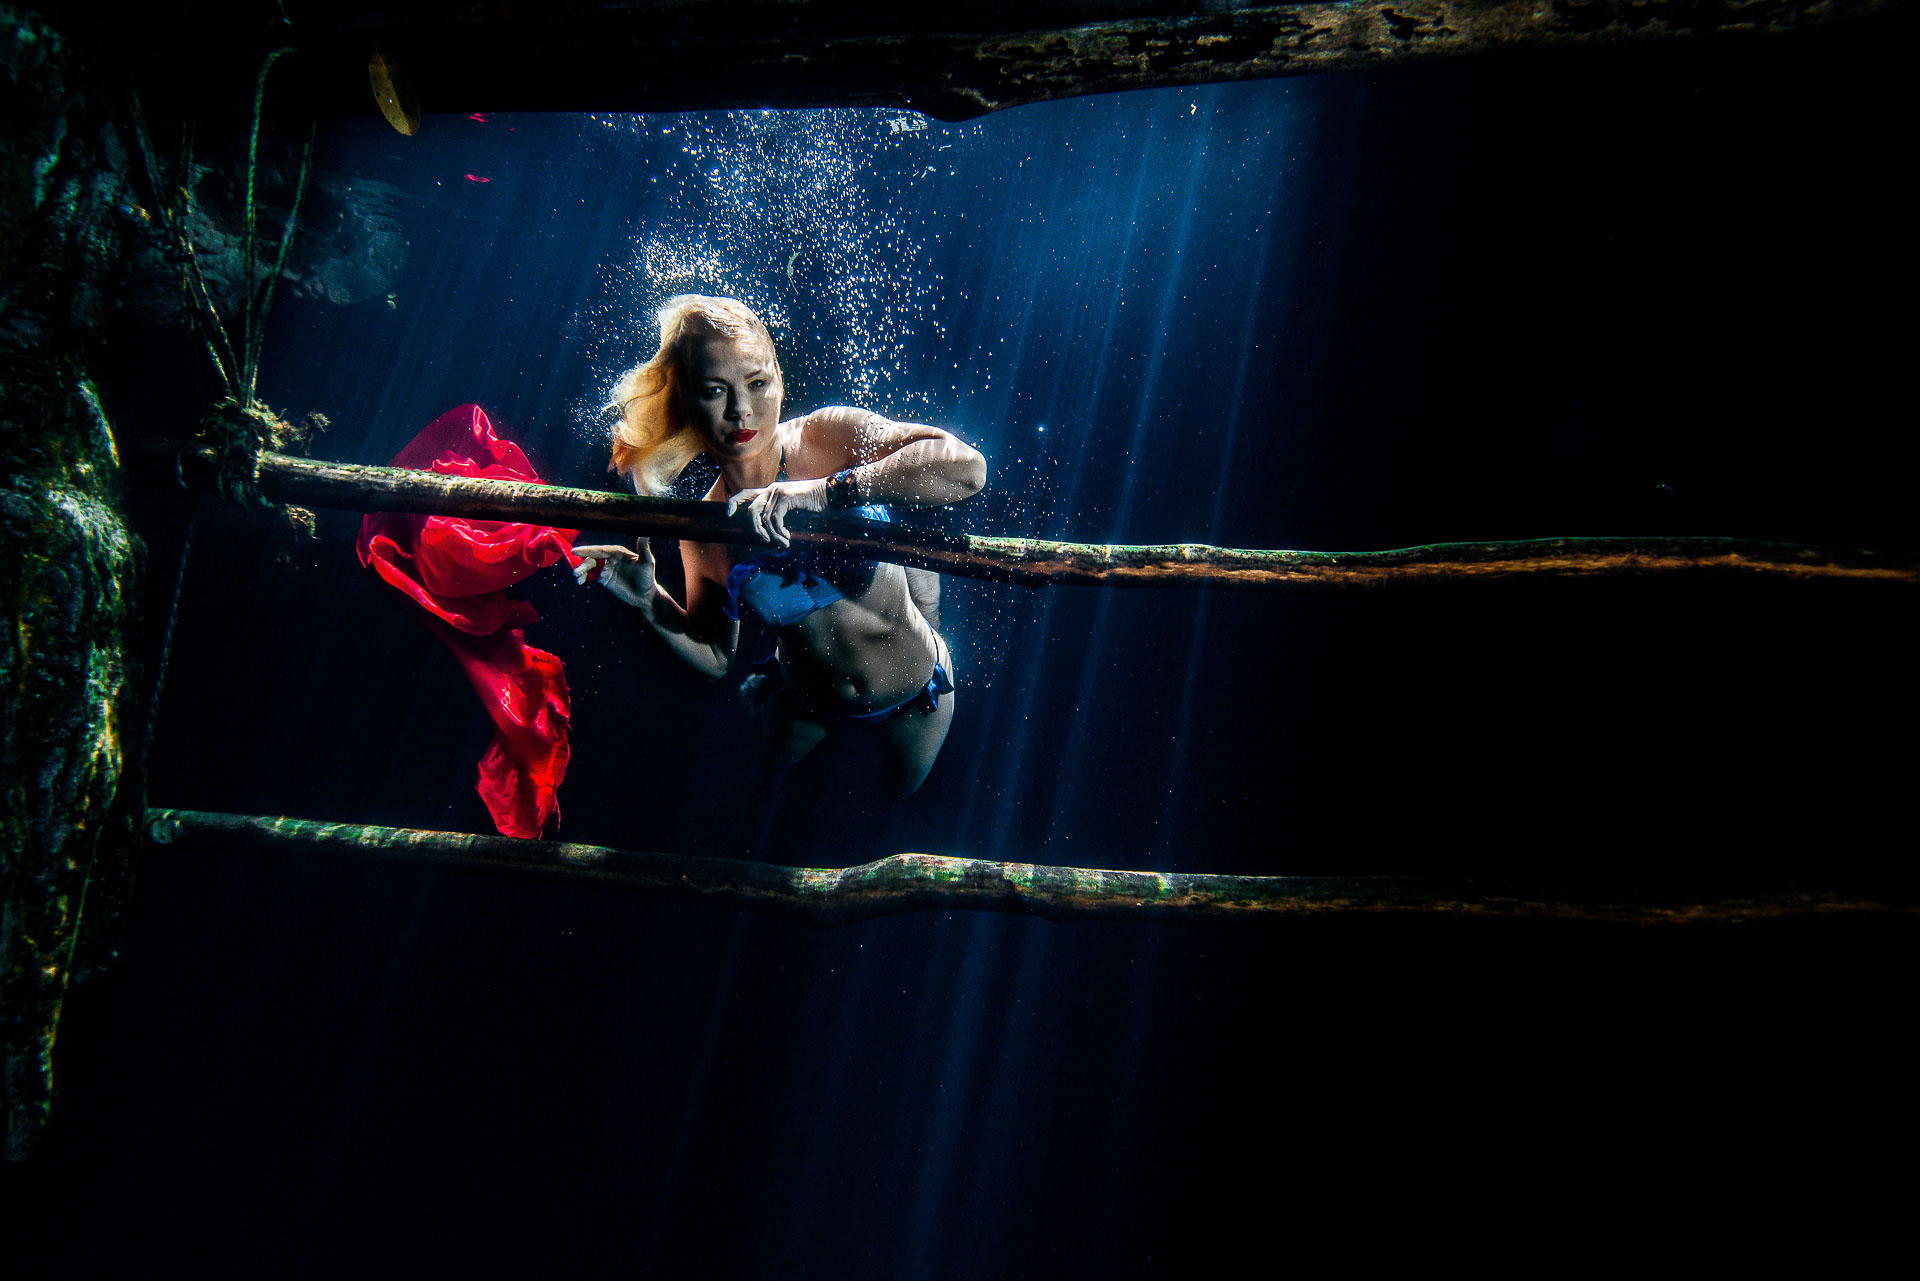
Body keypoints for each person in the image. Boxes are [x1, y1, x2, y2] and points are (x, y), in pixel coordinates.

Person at [573, 295, 986, 793]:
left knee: (897, 811)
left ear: (779, 380)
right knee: (770, 805)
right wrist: (649, 602)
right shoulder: (705, 530)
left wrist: (823, 491)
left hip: (918, 694)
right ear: (686, 400)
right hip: (804, 704)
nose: (740, 410)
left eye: (757, 383)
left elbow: (967, 470)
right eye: (713, 390)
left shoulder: (827, 438)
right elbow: (715, 657)